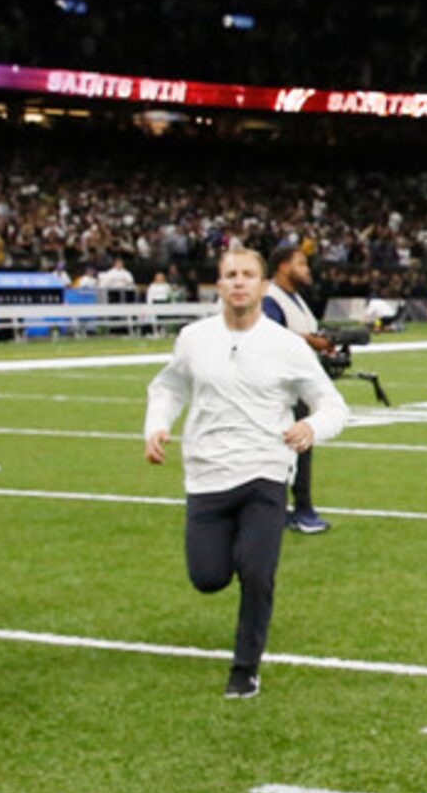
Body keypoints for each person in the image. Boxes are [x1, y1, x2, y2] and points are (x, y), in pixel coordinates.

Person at [144, 244, 349, 696]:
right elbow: (168, 387)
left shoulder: (286, 346)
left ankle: (245, 669)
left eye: (247, 275)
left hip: (265, 471)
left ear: (261, 285)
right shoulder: (194, 338)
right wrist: (157, 426)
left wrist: (312, 427)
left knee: (257, 573)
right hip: (207, 474)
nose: (238, 282)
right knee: (208, 577)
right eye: (230, 274)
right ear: (219, 285)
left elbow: (332, 404)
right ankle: (236, 552)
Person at [263, 236, 338, 535]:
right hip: (280, 387)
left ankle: (297, 507)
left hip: (298, 384)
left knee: (300, 446)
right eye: (301, 263)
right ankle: (291, 509)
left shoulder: (293, 296)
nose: (307, 269)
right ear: (283, 267)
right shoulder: (271, 297)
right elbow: (271, 335)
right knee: (289, 447)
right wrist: (312, 341)